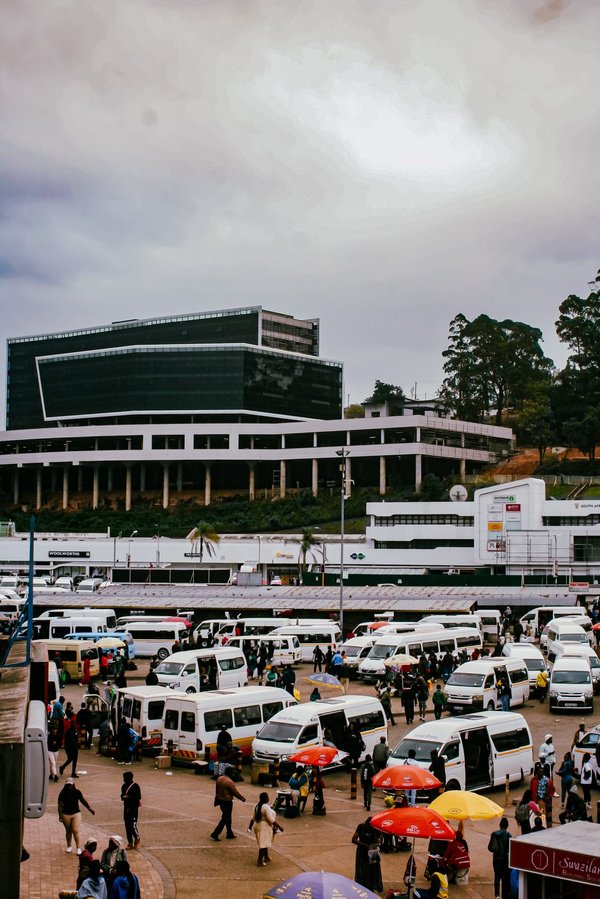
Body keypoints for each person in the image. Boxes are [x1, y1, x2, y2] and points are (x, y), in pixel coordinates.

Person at [58, 778, 95, 854]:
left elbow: (82, 800)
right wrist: (60, 815)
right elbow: (60, 805)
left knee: (75, 830)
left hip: (76, 814)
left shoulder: (77, 792)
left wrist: (90, 809)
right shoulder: (62, 793)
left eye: (70, 785)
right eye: (68, 785)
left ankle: (78, 847)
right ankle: (69, 846)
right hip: (65, 814)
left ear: (73, 785)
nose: (69, 787)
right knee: (68, 831)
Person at [210, 766, 246, 840]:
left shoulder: (219, 778)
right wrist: (242, 798)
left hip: (220, 800)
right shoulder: (229, 782)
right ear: (231, 773)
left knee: (227, 817)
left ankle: (229, 833)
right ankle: (215, 833)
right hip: (227, 801)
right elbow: (235, 792)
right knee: (225, 818)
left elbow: (216, 790)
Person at [352, 817, 383, 893]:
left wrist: (378, 843)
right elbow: (353, 839)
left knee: (373, 870)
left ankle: (371, 886)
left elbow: (381, 837)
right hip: (362, 852)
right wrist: (365, 845)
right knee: (362, 870)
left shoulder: (376, 828)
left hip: (372, 852)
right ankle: (363, 886)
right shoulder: (361, 827)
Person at [251, 792, 281, 866]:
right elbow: (271, 820)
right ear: (265, 799)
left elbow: (253, 818)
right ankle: (259, 861)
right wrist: (280, 827)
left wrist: (249, 827)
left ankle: (266, 857)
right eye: (267, 797)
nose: (268, 798)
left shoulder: (256, 806)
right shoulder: (266, 807)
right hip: (264, 827)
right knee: (263, 845)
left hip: (257, 826)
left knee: (265, 842)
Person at [488, 817, 511, 899]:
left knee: (497, 876)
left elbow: (490, 847)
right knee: (504, 878)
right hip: (505, 859)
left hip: (496, 859)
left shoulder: (494, 834)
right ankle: (504, 894)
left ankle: (497, 895)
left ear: (500, 825)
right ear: (507, 826)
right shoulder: (509, 835)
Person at [121, 771, 142, 849]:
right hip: (126, 808)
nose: (123, 779)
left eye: (125, 777)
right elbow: (122, 795)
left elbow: (138, 797)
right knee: (127, 825)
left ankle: (137, 837)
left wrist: (129, 797)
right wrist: (123, 797)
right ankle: (130, 842)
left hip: (133, 808)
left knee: (132, 824)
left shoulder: (135, 786)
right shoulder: (123, 786)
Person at [48, 718, 61, 782]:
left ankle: (51, 774)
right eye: (54, 729)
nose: (55, 731)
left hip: (56, 751)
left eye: (55, 729)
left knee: (53, 763)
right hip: (50, 751)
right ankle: (55, 775)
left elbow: (59, 743)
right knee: (53, 763)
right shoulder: (49, 736)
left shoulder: (58, 736)